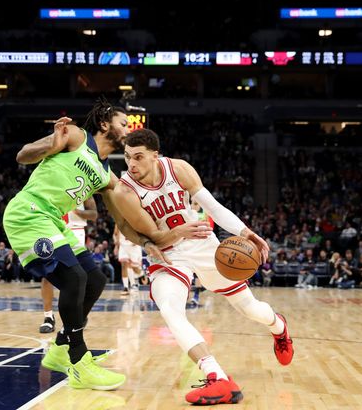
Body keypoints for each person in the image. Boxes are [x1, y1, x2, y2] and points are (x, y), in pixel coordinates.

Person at [3, 99, 204, 391]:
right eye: (124, 123)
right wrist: (51, 145)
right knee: (74, 278)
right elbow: (23, 155)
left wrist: (147, 241)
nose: (128, 129)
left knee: (95, 279)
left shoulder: (106, 174)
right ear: (105, 124)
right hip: (29, 214)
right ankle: (78, 360)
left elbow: (121, 222)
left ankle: (60, 348)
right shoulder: (74, 136)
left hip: (54, 222)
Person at [110, 129, 294, 405]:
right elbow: (153, 236)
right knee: (170, 310)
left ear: (155, 156)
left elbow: (214, 207)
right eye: (127, 157)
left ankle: (278, 327)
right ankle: (217, 377)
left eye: (138, 157)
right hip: (168, 253)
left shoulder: (179, 169)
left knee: (250, 309)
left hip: (201, 244)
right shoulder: (125, 190)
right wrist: (177, 233)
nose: (131, 165)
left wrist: (246, 232)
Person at [40, 198, 98, 334]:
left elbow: (94, 215)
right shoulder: (49, 185)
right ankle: (48, 317)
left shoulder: (82, 187)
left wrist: (75, 210)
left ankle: (77, 315)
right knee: (47, 274)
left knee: (77, 277)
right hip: (52, 231)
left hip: (75, 231)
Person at [114, 223, 143, 295]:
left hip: (133, 245)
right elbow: (116, 233)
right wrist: (116, 246)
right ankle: (126, 287)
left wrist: (138, 239)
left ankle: (141, 275)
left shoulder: (134, 217)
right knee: (124, 265)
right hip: (123, 245)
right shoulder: (119, 219)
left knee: (134, 267)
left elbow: (141, 231)